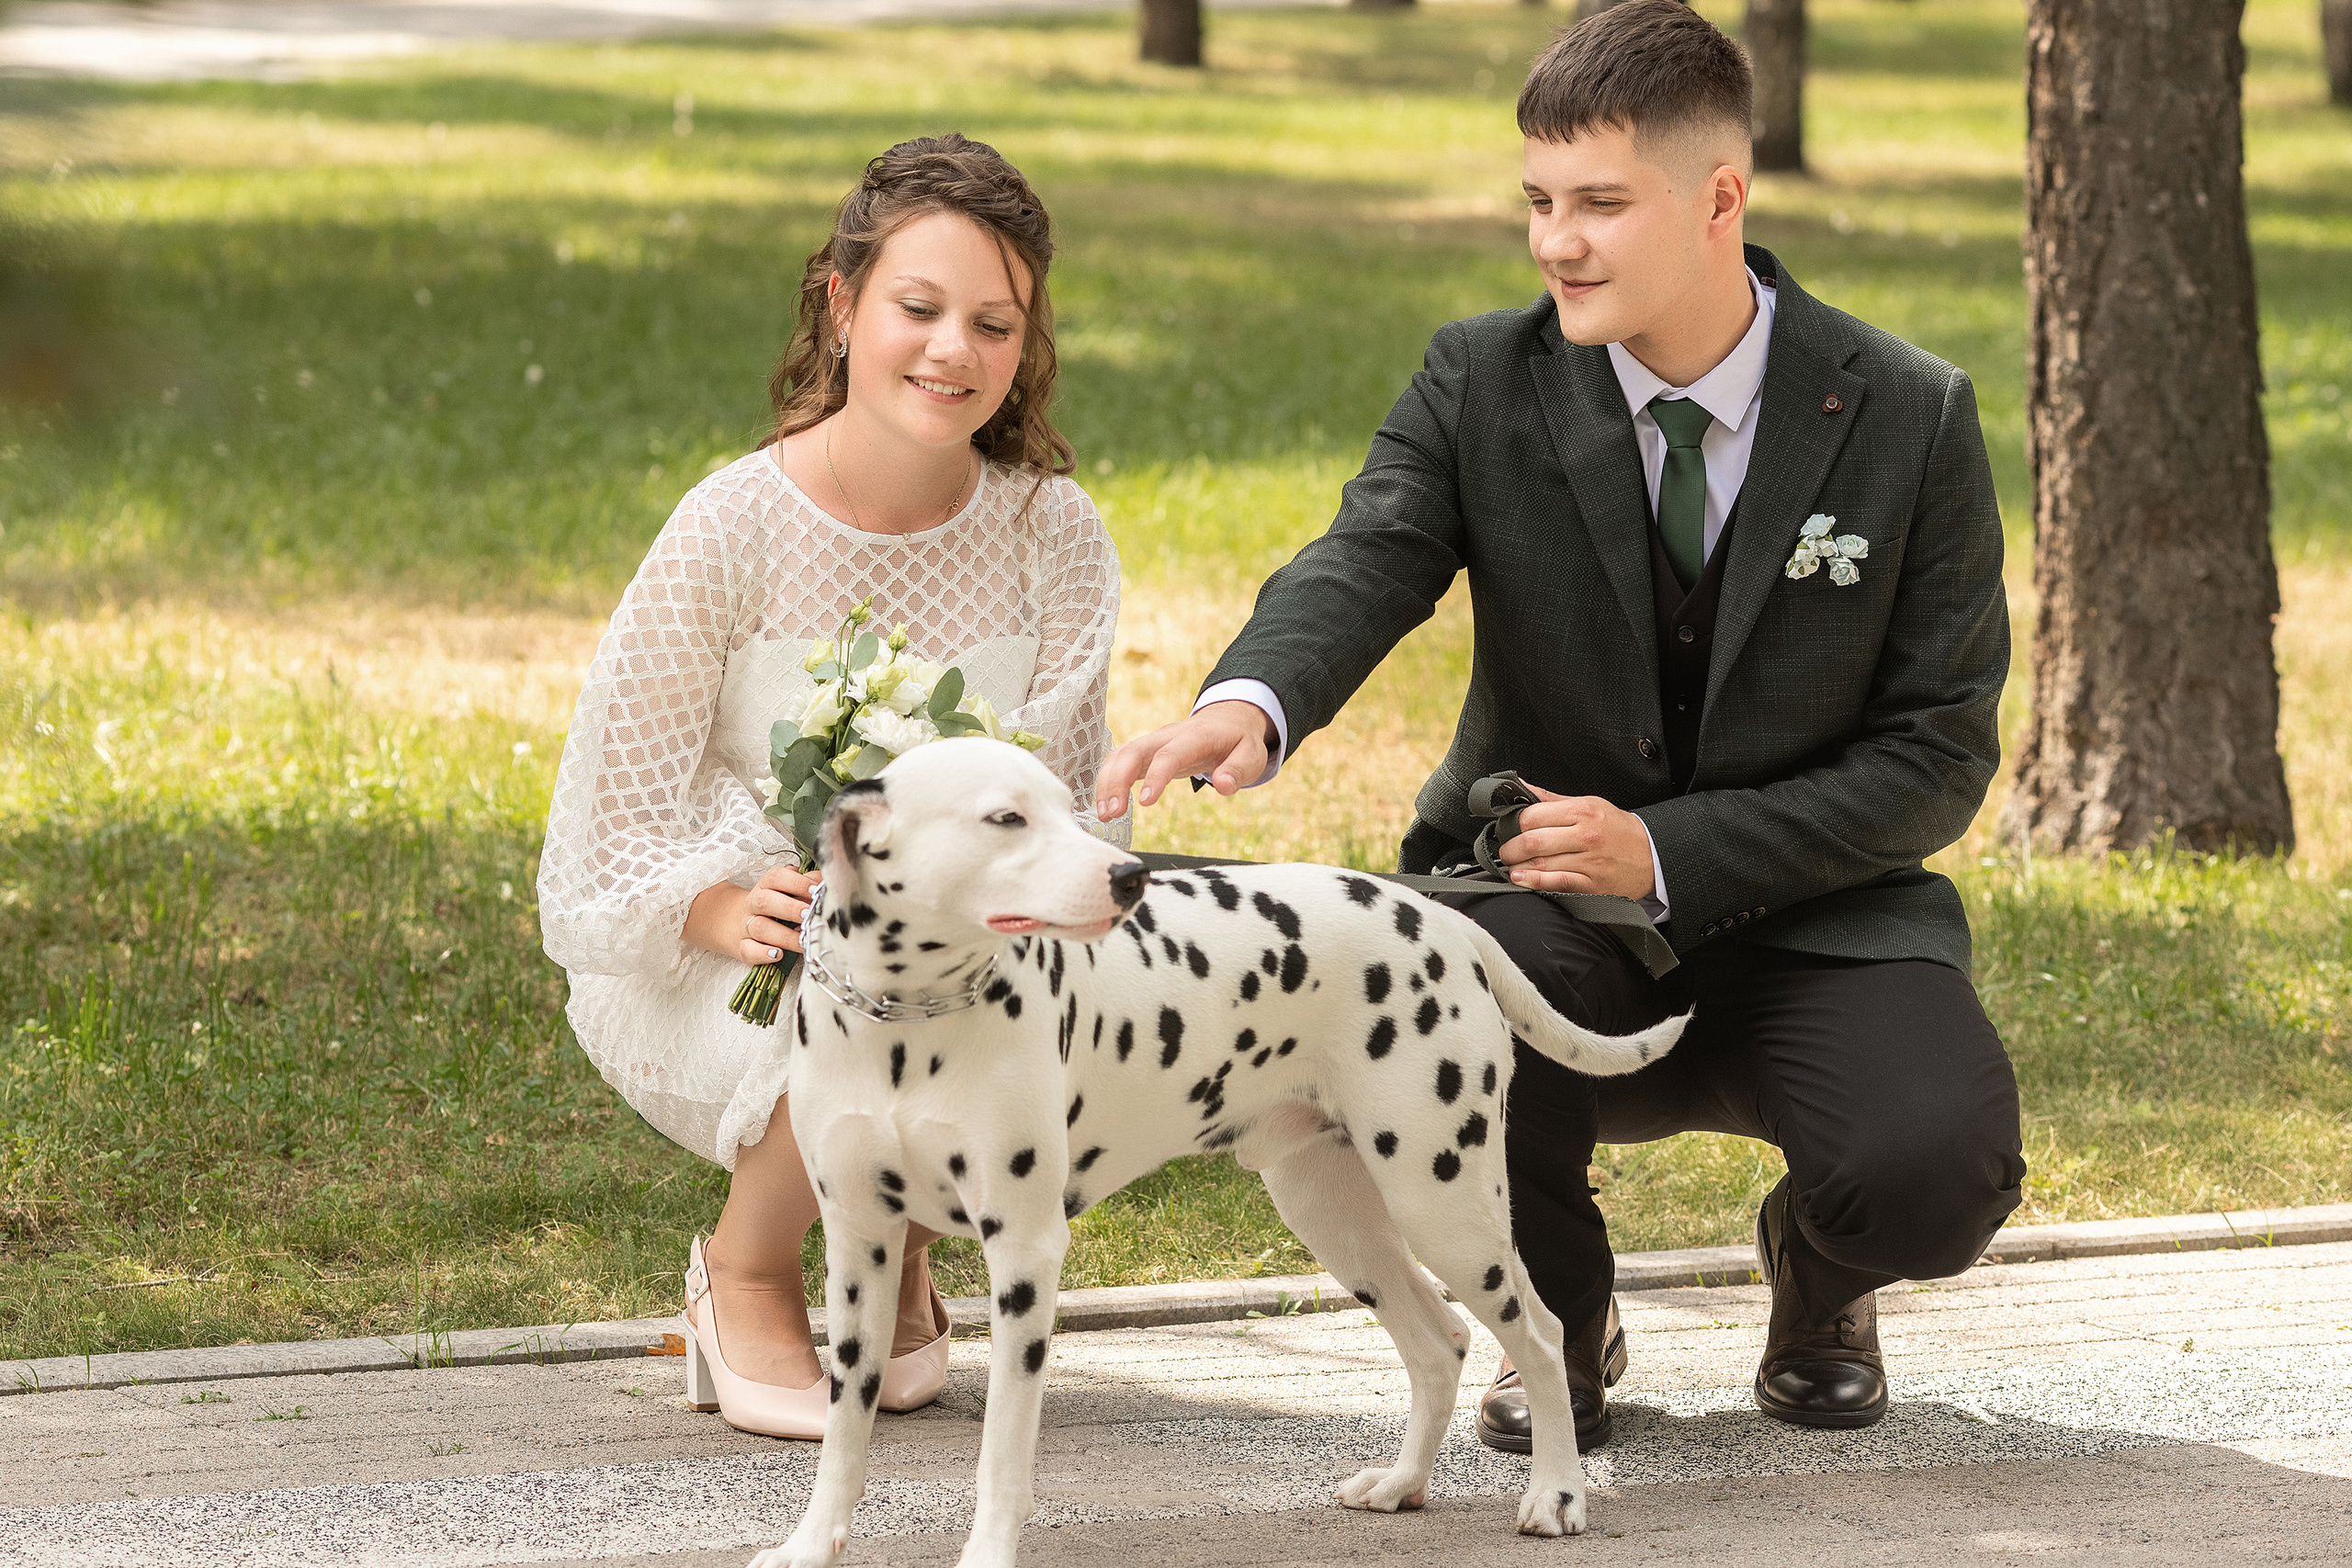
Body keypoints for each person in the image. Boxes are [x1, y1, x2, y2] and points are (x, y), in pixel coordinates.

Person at [1098, 0, 2024, 1452]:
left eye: (1599, 203)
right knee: (1420, 998)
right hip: (1534, 914)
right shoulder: (1482, 379)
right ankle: (1560, 1322)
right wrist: (1247, 701)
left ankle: (1820, 1273)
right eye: (1538, 200)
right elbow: (1366, 557)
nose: (1555, 241)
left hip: (1820, 916)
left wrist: (1665, 846)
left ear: (1721, 198)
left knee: (1934, 1171)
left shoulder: (1910, 416)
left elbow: (1939, 753)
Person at [538, 133, 1125, 1439]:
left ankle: (901, 1252)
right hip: (747, 934)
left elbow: (1065, 798)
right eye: (918, 309)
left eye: (994, 323)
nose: (952, 350)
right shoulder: (729, 525)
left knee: (936, 963)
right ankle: (743, 1273)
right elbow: (610, 810)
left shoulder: (1052, 534)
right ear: (842, 303)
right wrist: (713, 902)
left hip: (971, 929)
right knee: (842, 961)